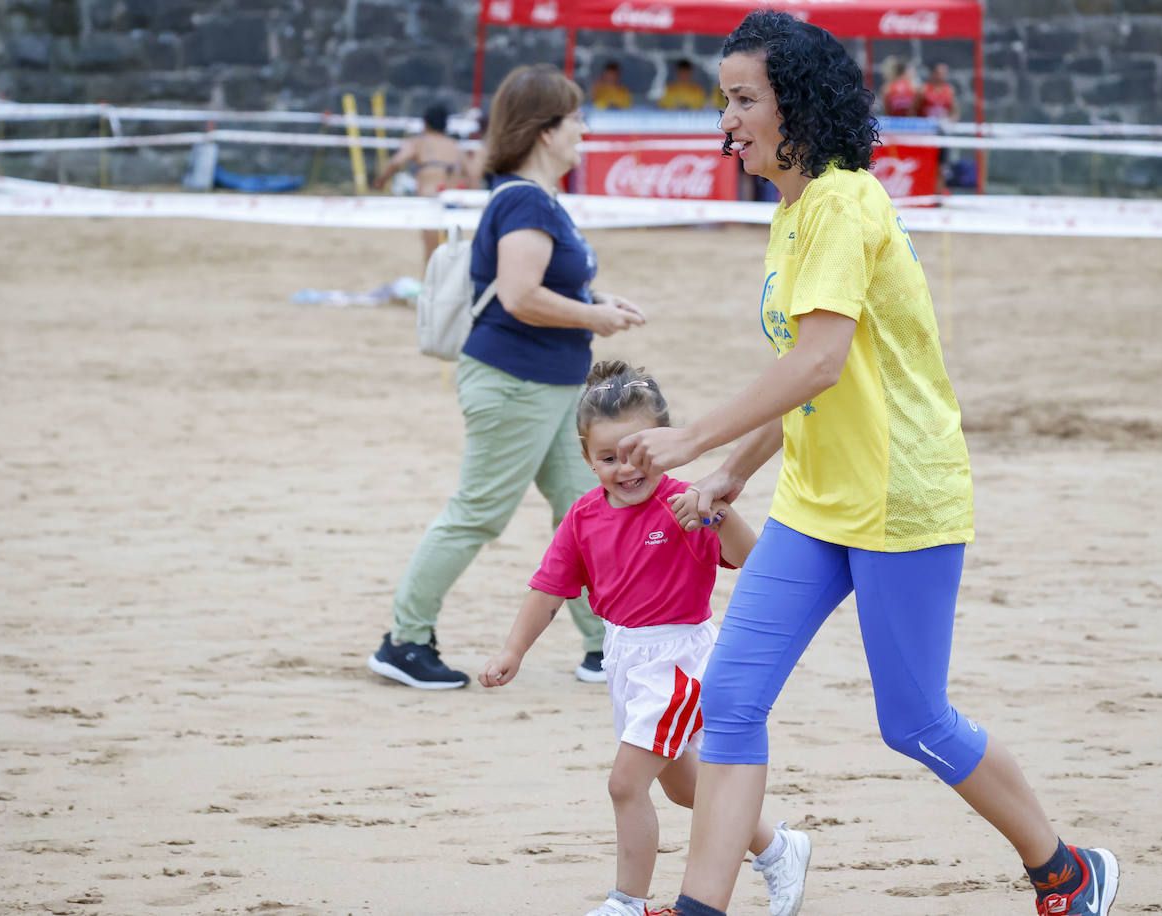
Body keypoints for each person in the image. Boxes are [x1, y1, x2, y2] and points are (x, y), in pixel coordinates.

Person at [613, 12, 1119, 916]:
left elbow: (820, 362)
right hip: (816, 501)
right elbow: (802, 378)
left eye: (742, 99)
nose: (725, 121)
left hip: (900, 495)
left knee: (915, 723)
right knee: (730, 702)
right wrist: (735, 471)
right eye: (724, 98)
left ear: (796, 105)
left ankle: (1066, 869)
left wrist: (691, 444)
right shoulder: (794, 209)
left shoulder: (846, 203)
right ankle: (701, 908)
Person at [479, 360, 811, 916]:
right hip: (625, 659)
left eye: (638, 455)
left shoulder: (686, 503)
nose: (625, 469)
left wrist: (715, 514)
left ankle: (625, 902)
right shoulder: (582, 517)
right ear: (586, 458)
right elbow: (548, 589)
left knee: (625, 784)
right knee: (684, 788)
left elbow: (753, 563)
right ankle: (779, 848)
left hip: (681, 660)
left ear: (663, 445)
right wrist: (513, 650)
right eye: (608, 458)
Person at [367, 64, 647, 691]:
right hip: (515, 383)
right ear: (546, 130)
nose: (582, 128)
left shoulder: (535, 200)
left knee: (584, 507)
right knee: (479, 513)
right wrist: (594, 316)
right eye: (574, 117)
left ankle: (604, 644)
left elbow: (538, 286)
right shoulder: (524, 198)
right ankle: (404, 639)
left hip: (543, 385)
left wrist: (596, 299)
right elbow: (520, 295)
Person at [371, 103, 473, 263]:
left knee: (432, 254)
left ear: (425, 123)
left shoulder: (418, 142)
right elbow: (471, 173)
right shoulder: (454, 145)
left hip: (431, 201)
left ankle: (431, 287)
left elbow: (396, 162)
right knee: (453, 256)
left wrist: (380, 180)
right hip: (455, 202)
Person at [917, 62, 959, 196]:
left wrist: (950, 122)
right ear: (933, 73)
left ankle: (938, 193)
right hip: (925, 134)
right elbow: (913, 111)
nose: (943, 76)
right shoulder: (923, 90)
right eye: (940, 72)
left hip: (941, 134)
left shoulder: (949, 90)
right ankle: (924, 192)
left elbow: (955, 112)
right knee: (925, 164)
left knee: (942, 165)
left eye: (945, 73)